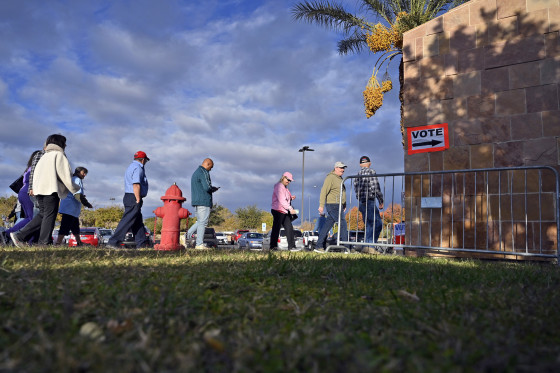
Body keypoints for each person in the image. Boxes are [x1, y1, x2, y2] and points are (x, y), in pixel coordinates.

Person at [11, 134, 79, 247]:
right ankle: (43, 242)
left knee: (43, 214)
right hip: (50, 189)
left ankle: (21, 235)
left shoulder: (43, 156)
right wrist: (76, 189)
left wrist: (33, 188)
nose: (66, 145)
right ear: (60, 143)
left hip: (39, 190)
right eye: (64, 142)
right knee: (49, 216)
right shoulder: (59, 155)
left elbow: (34, 172)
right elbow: (65, 176)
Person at [107, 151, 150, 249]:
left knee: (137, 222)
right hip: (134, 196)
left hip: (130, 196)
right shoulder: (138, 168)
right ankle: (113, 242)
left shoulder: (131, 166)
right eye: (146, 160)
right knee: (127, 220)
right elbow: (136, 184)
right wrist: (138, 199)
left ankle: (142, 244)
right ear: (143, 160)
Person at [1, 150, 41, 245]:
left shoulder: (28, 168)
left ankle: (30, 241)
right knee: (33, 219)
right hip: (29, 192)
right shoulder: (35, 168)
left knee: (30, 218)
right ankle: (7, 233)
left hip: (23, 192)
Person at [313, 161, 349, 253]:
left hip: (339, 205)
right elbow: (323, 191)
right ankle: (347, 248)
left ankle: (318, 246)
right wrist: (321, 205)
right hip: (333, 205)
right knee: (343, 224)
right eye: (341, 168)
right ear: (336, 168)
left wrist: (344, 204)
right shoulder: (330, 177)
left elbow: (341, 193)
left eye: (343, 168)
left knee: (327, 226)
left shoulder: (340, 178)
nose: (343, 169)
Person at [55, 167, 93, 246]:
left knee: (75, 226)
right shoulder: (76, 179)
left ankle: (79, 242)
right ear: (78, 172)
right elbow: (77, 194)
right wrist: (87, 203)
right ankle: (58, 243)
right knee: (65, 225)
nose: (85, 175)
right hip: (70, 207)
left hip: (73, 209)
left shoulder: (74, 179)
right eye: (84, 173)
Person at [187, 158, 219, 250]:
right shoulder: (203, 172)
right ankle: (199, 244)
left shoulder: (196, 172)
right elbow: (207, 187)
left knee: (199, 221)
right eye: (211, 167)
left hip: (196, 200)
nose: (210, 170)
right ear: (208, 164)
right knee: (203, 223)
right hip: (203, 200)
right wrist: (213, 188)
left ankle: (186, 237)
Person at [354, 155, 384, 253]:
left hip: (361, 202)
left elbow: (356, 189)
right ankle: (370, 246)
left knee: (369, 224)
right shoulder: (371, 172)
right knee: (377, 223)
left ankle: (365, 246)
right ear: (370, 163)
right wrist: (380, 200)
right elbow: (375, 187)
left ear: (360, 164)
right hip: (370, 200)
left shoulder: (357, 174)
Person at [270, 171, 298, 251]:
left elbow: (284, 198)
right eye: (288, 180)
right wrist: (291, 209)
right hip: (278, 210)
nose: (288, 182)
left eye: (290, 181)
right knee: (276, 228)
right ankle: (273, 246)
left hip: (284, 211)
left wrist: (290, 197)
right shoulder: (279, 186)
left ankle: (291, 246)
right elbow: (282, 200)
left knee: (289, 228)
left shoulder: (284, 188)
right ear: (283, 177)